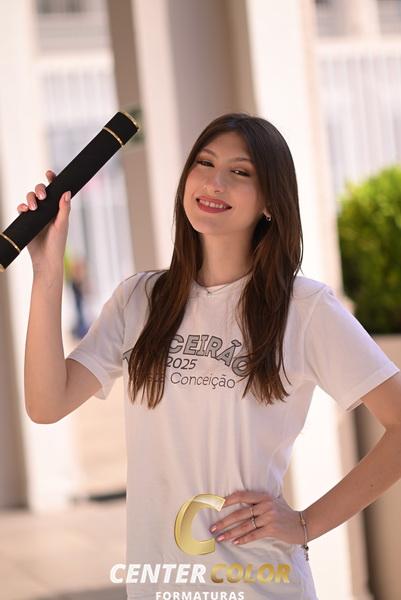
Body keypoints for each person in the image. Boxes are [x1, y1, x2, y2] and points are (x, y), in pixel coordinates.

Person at [22, 112, 401, 600]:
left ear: (271, 202)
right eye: (204, 163)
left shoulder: (304, 309)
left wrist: (305, 523)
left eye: (240, 172)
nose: (214, 182)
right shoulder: (140, 300)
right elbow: (46, 404)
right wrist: (47, 270)